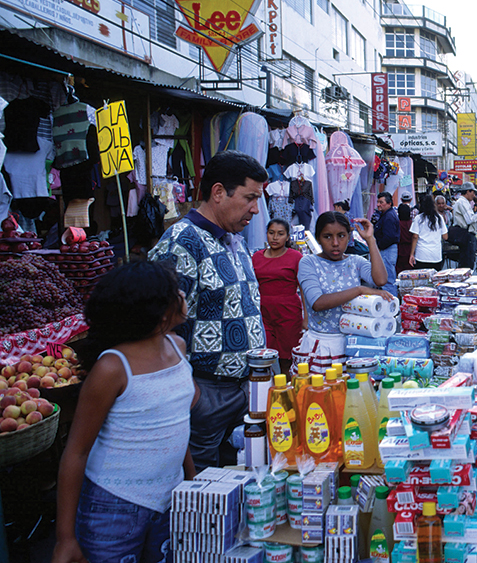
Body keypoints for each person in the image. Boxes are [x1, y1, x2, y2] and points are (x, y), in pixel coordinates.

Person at [53, 261, 196, 563]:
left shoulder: (178, 347)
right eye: (175, 291)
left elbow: (175, 426)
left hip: (169, 500)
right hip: (112, 508)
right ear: (158, 311)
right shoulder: (113, 368)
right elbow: (76, 452)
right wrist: (65, 539)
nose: (183, 294)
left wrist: (191, 483)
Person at [149, 149, 267, 469]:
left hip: (246, 390)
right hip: (206, 393)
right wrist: (194, 395)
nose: (256, 209)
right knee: (201, 493)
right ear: (218, 193)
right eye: (250, 198)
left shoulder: (233, 239)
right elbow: (155, 327)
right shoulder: (183, 241)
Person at [296, 212, 394, 370]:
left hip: (353, 344)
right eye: (327, 236)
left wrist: (370, 239)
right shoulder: (309, 262)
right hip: (322, 345)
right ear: (318, 238)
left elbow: (380, 279)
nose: (335, 243)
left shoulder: (355, 261)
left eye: (341, 236)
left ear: (349, 237)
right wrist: (360, 290)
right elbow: (318, 302)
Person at [252, 218, 305, 375]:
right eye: (271, 233)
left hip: (288, 312)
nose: (275, 238)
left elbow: (303, 288)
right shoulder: (256, 257)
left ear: (288, 237)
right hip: (263, 312)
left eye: (280, 234)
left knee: (287, 357)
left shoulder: (295, 257)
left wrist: (306, 318)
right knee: (264, 354)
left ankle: (287, 391)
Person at [410, 194, 449, 270]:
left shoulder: (419, 218)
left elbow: (415, 236)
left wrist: (411, 254)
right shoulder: (439, 218)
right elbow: (445, 237)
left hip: (421, 255)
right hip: (436, 255)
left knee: (422, 279)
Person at [449, 182, 477, 269]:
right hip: (466, 235)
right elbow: (469, 220)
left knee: (467, 262)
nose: (474, 195)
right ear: (468, 191)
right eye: (473, 192)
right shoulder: (462, 202)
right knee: (466, 264)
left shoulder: (464, 202)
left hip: (466, 234)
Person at [373, 192, 400, 294]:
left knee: (387, 279)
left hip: (387, 250)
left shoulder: (389, 216)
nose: (378, 204)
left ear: (389, 203)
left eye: (381, 202)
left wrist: (379, 247)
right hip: (386, 249)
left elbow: (389, 237)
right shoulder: (386, 215)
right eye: (378, 202)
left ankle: (391, 303)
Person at [396, 203, 413, 274]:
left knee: (399, 270)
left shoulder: (397, 223)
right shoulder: (412, 223)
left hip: (399, 249)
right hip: (410, 248)